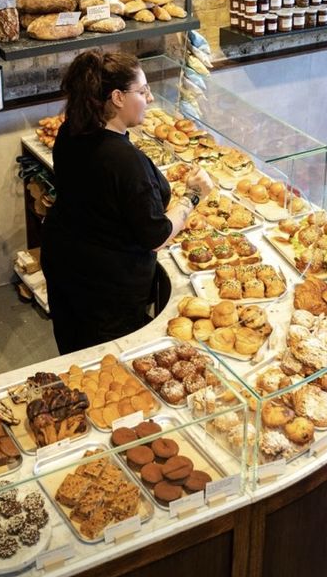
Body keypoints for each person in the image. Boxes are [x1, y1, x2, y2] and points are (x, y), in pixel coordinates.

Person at [40, 49, 213, 354]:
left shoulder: (72, 130)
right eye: (143, 91)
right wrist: (193, 196)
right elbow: (155, 236)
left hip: (66, 263)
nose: (151, 99)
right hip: (106, 285)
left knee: (75, 351)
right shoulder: (123, 160)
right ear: (117, 97)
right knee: (107, 360)